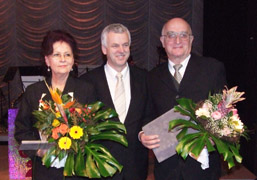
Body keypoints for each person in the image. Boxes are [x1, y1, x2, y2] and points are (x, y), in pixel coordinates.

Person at [140, 18, 227, 180]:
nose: (177, 41)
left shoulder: (212, 69)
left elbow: (225, 112)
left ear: (191, 40)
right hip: (166, 170)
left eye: (183, 35)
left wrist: (215, 137)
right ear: (162, 41)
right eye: (171, 35)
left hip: (202, 169)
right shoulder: (152, 76)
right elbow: (147, 114)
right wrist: (142, 135)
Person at [15, 30, 96, 180]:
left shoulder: (86, 90)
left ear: (73, 60)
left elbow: (94, 128)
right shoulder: (33, 92)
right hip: (45, 169)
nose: (63, 59)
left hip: (77, 170)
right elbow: (21, 132)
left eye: (67, 54)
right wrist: (39, 150)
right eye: (56, 55)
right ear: (47, 60)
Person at [80, 23, 151, 180]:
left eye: (125, 45)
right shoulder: (87, 83)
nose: (121, 50)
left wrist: (142, 133)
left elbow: (149, 113)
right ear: (104, 49)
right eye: (115, 46)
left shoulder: (145, 78)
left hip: (136, 166)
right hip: (100, 167)